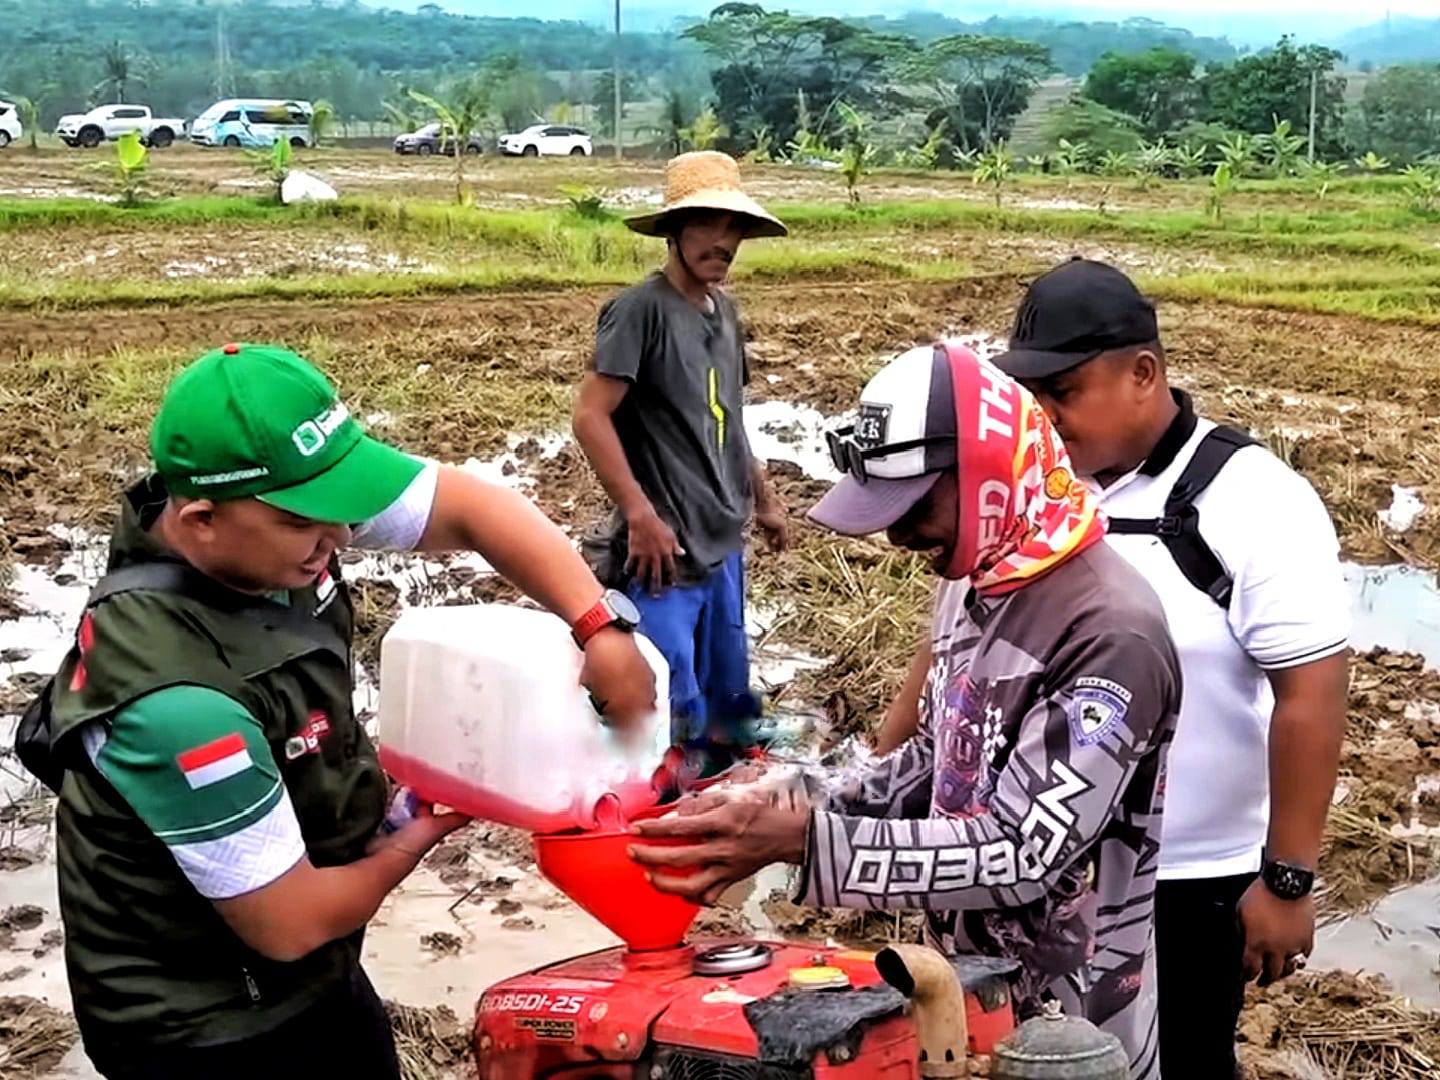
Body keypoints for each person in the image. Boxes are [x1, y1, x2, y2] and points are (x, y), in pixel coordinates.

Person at [45, 343, 658, 1080]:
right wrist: (407, 840)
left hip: (310, 958)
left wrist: (598, 625)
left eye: (343, 507)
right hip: (204, 1023)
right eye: (311, 522)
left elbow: (471, 507)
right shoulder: (181, 707)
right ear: (201, 519)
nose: (340, 538)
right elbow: (290, 924)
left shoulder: (262, 515)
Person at [632, 343, 1180, 1079]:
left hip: (1072, 1036)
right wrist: (798, 796)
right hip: (960, 997)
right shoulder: (979, 579)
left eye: (914, 506)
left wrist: (808, 842)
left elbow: (1025, 853)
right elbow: (941, 754)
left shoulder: (1110, 633)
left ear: (988, 475)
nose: (897, 536)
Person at [989, 259, 1350, 1080]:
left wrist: (1287, 880)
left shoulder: (1254, 499)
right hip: (1037, 866)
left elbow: (1311, 695)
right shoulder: (1035, 492)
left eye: (1064, 392)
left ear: (1143, 373)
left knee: (1185, 1061)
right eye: (1032, 396)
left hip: (1189, 881)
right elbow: (956, 645)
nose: (1045, 417)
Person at [573, 150, 790, 776]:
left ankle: (727, 797)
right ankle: (659, 811)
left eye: (733, 227)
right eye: (705, 223)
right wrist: (640, 514)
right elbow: (590, 416)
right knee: (669, 710)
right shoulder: (640, 310)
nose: (722, 241)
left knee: (728, 698)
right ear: (673, 229)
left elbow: (729, 419)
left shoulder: (726, 313)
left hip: (723, 542)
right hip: (663, 553)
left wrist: (764, 500)